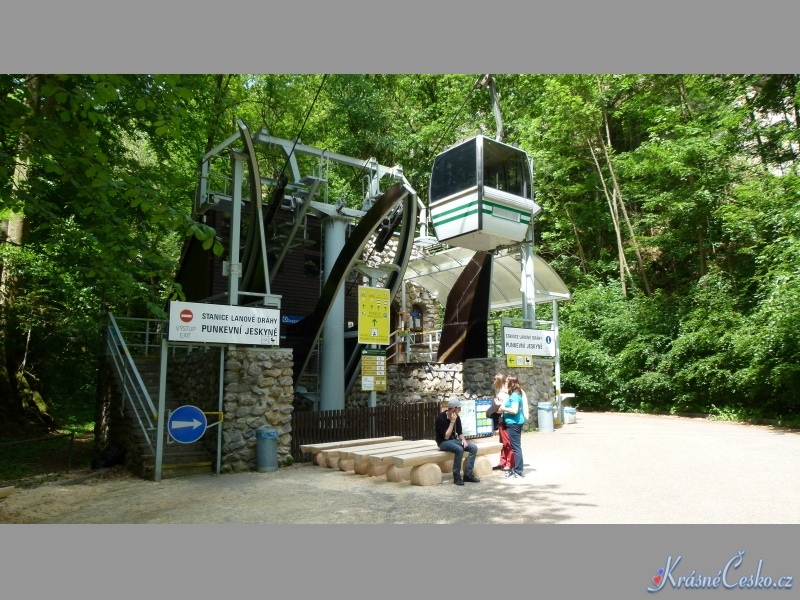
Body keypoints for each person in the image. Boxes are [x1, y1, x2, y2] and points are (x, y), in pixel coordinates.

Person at [435, 399, 480, 485]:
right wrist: (452, 422)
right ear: (454, 409)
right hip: (443, 443)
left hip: (454, 441)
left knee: (473, 447)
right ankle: (456, 476)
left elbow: (460, 433)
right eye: (459, 409)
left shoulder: (457, 417)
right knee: (459, 449)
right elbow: (446, 436)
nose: (460, 410)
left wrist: (463, 440)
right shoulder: (441, 418)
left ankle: (468, 475)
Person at [497, 375, 525, 478]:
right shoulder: (514, 394)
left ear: (511, 383)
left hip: (514, 423)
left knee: (516, 448)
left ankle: (518, 471)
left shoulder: (514, 395)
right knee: (515, 447)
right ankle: (516, 469)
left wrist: (503, 408)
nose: (505, 383)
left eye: (506, 382)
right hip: (513, 423)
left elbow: (514, 410)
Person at [491, 373, 514, 472]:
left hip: (504, 418)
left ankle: (509, 463)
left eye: (494, 379)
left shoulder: (504, 393)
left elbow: (504, 407)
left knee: (507, 442)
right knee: (502, 442)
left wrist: (497, 406)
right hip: (501, 419)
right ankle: (502, 462)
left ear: (498, 381)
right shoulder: (501, 392)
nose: (493, 381)